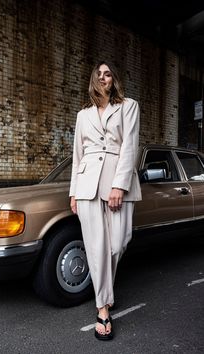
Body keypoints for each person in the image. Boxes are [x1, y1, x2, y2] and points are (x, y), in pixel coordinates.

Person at [69, 60, 142, 340]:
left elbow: (130, 146)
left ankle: (106, 291)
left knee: (119, 242)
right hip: (87, 184)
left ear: (114, 79)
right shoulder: (82, 115)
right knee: (96, 247)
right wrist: (73, 192)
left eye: (107, 73)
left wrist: (119, 186)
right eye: (98, 74)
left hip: (116, 181)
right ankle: (102, 309)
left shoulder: (129, 106)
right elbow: (78, 155)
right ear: (93, 79)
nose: (103, 78)